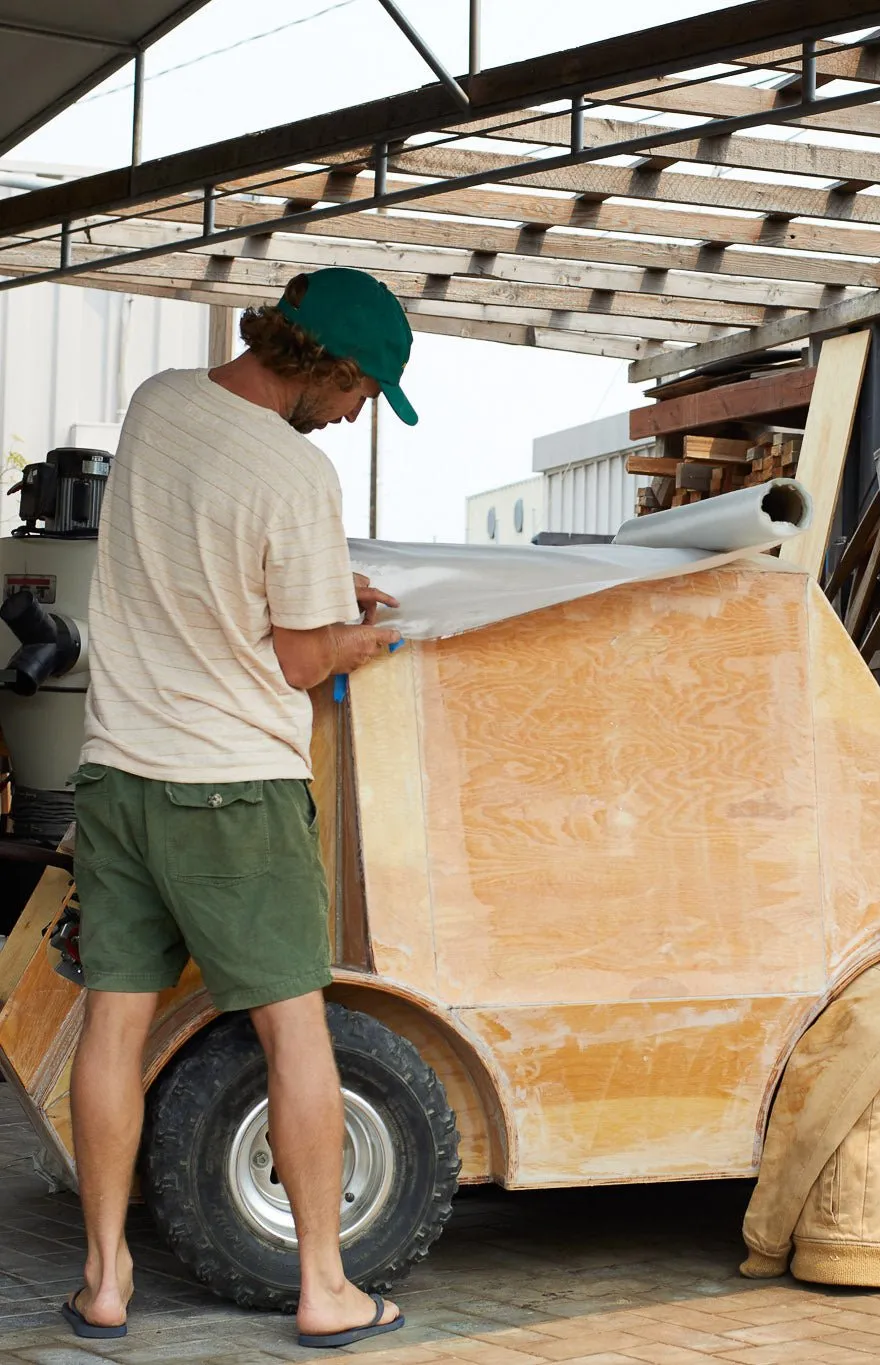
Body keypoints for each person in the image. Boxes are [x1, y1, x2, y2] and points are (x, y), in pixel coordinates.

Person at [64, 268, 415, 1350]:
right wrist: (361, 636)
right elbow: (301, 659)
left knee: (113, 1021)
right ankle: (323, 1287)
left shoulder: (159, 402)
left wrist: (317, 601)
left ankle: (103, 1283)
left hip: (120, 774)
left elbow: (199, 572)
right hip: (232, 790)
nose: (356, 417)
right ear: (333, 368)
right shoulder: (294, 475)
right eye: (363, 395)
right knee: (293, 1031)